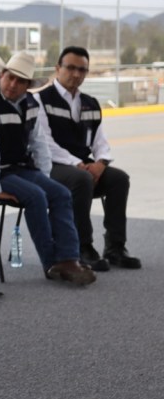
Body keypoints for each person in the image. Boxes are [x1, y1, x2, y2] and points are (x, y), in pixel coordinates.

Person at [0, 51, 95, 285]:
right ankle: (51, 263)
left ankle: (68, 259)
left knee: (61, 194)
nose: (13, 84)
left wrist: (45, 179)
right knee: (36, 196)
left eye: (21, 81)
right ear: (1, 74)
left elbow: (39, 144)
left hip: (17, 168)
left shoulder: (30, 104)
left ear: (28, 85)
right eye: (10, 77)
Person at [35, 46, 141, 270]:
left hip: (83, 167)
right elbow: (45, 143)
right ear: (57, 68)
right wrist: (78, 164)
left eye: (82, 70)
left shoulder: (90, 103)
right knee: (81, 179)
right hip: (50, 167)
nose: (76, 74)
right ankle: (81, 247)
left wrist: (101, 163)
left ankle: (115, 248)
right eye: (70, 68)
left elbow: (100, 142)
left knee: (119, 179)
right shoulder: (40, 100)